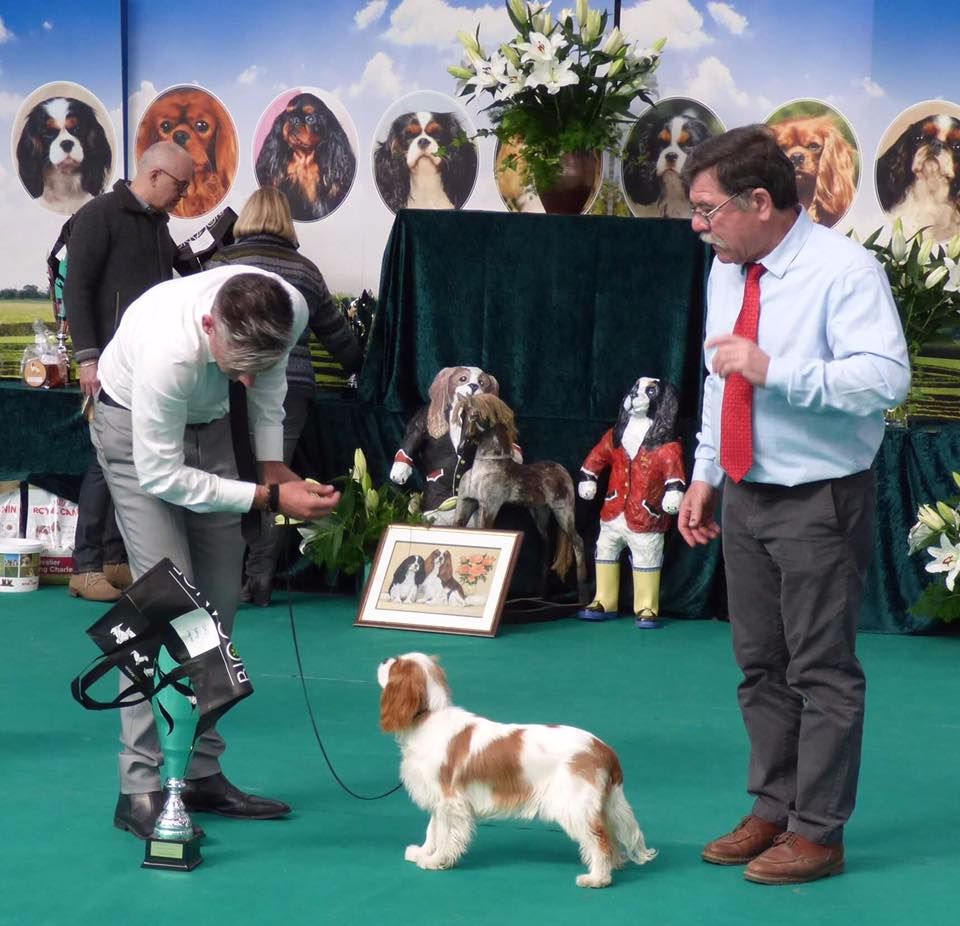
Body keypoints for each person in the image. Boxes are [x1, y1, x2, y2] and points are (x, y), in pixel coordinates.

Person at [676, 125, 910, 885]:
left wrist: (776, 369)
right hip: (745, 489)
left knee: (821, 669)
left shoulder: (845, 270)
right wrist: (707, 472)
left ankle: (819, 832)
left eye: (708, 210)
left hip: (820, 498)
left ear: (760, 201)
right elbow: (718, 378)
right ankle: (773, 808)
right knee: (759, 665)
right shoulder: (727, 269)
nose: (698, 225)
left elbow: (886, 379)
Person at [91, 264, 340, 839]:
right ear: (210, 325)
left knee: (220, 601)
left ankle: (197, 774)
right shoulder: (169, 351)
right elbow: (161, 476)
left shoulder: (289, 307)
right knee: (167, 609)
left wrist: (273, 465)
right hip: (136, 432)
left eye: (258, 366)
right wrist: (267, 495)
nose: (248, 380)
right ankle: (140, 787)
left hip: (211, 426)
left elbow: (269, 387)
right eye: (237, 368)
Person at [204, 187, 362, 605]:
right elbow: (336, 335)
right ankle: (260, 580)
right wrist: (361, 368)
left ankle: (220, 578)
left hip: (228, 384)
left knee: (226, 479)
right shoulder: (305, 271)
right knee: (273, 482)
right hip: (291, 390)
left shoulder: (222, 263)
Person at [65, 141, 195, 602]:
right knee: (104, 463)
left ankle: (115, 559)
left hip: (143, 368)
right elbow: (76, 289)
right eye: (181, 185)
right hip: (107, 366)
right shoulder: (98, 215)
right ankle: (85, 567)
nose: (184, 194)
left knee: (130, 460)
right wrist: (88, 357)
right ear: (155, 175)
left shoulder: (158, 224)